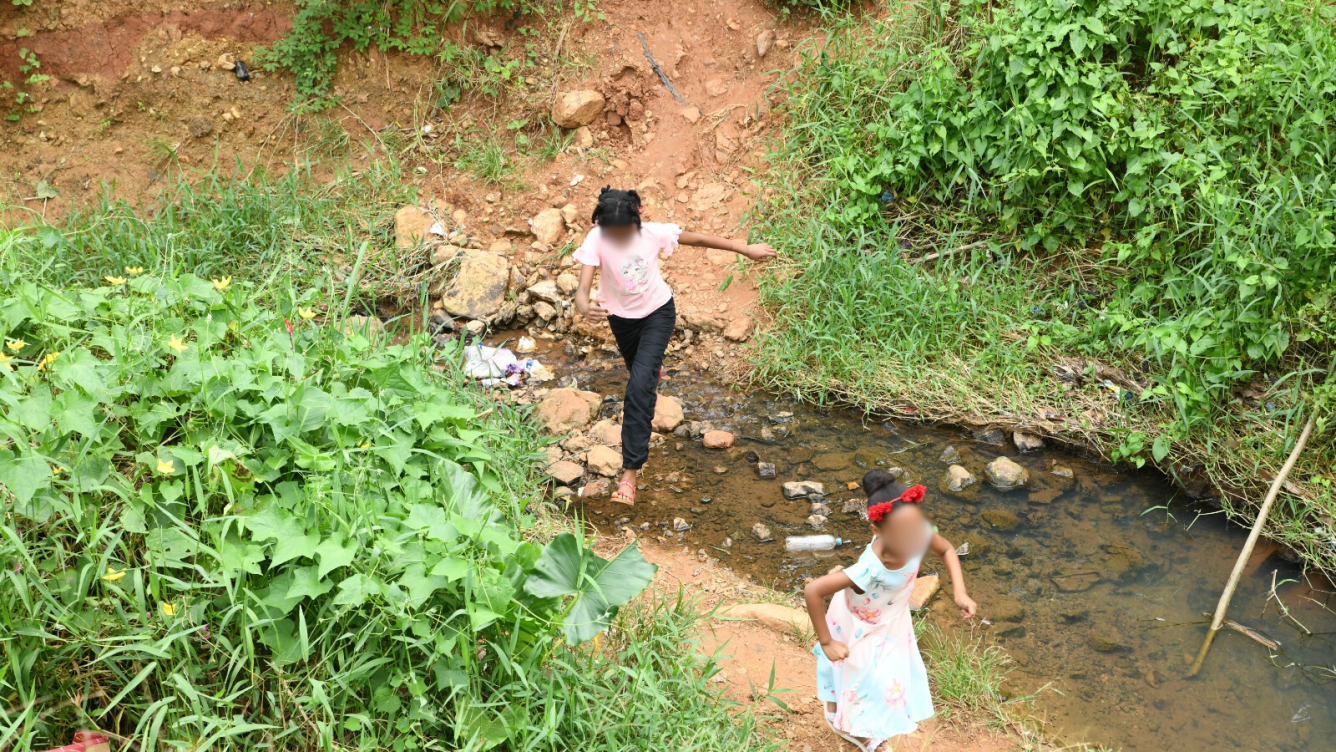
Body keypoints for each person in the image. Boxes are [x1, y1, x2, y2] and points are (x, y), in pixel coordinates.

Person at [573, 186, 776, 505]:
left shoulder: (652, 233)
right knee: (643, 375)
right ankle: (652, 371)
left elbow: (698, 239)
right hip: (620, 319)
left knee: (638, 387)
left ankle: (629, 476)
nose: (618, 239)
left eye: (624, 233)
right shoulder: (596, 238)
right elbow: (582, 291)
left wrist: (744, 249)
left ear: (636, 223)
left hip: (657, 312)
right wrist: (585, 307)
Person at [803, 470, 978, 751]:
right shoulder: (870, 568)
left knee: (880, 680)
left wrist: (960, 591)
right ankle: (849, 724)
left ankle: (849, 718)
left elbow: (946, 549)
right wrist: (826, 641)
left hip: (892, 620)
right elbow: (814, 590)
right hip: (859, 624)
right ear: (877, 531)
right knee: (857, 675)